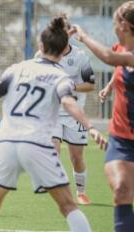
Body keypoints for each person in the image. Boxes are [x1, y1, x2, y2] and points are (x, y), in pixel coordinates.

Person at [0, 17, 107, 232]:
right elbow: (69, 102)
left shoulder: (17, 68)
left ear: (40, 46)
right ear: (62, 53)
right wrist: (92, 127)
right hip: (37, 144)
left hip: (6, 143)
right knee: (69, 206)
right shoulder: (60, 76)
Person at [73, 1, 134, 231]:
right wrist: (110, 87)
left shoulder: (121, 54)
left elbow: (110, 58)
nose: (113, 29)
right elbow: (118, 63)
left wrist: (84, 36)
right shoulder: (121, 50)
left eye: (114, 24)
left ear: (124, 25)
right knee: (121, 190)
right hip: (121, 140)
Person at [35, 14, 95, 205]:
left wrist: (71, 87)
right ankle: (55, 185)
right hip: (52, 112)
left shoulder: (80, 56)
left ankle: (81, 191)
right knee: (53, 149)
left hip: (74, 113)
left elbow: (91, 85)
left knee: (76, 157)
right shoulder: (41, 56)